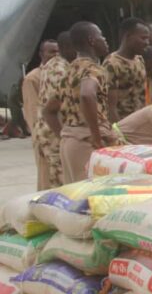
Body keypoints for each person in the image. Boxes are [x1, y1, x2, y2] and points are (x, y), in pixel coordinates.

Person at [51, 22, 115, 183]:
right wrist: (96, 137)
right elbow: (87, 95)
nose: (105, 40)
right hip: (87, 142)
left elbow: (48, 111)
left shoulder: (69, 71)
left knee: (76, 199)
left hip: (69, 142)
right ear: (92, 40)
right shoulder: (92, 69)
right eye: (101, 36)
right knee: (93, 197)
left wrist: (65, 135)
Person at [36, 32, 76, 189]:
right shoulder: (60, 69)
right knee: (61, 180)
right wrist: (63, 137)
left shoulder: (53, 65)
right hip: (54, 131)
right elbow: (53, 107)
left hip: (49, 130)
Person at [103, 17, 150, 122]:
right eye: (143, 38)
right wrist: (119, 134)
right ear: (128, 36)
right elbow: (110, 108)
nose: (147, 42)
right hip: (124, 126)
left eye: (148, 38)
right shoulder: (111, 64)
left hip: (140, 123)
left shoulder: (140, 60)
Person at [22, 39, 59, 135]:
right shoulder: (33, 78)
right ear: (41, 54)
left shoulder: (65, 74)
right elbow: (32, 109)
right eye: (52, 52)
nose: (57, 55)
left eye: (59, 52)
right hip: (46, 134)